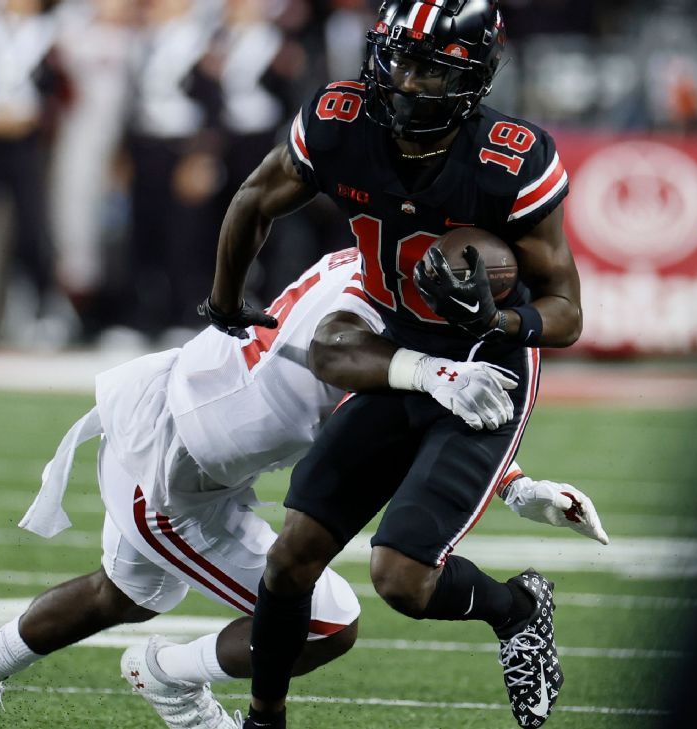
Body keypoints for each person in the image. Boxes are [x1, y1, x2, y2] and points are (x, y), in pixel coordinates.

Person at [0, 248, 604, 729]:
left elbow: (393, 422)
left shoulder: (370, 268)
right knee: (325, 619)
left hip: (168, 412)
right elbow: (351, 367)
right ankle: (171, 676)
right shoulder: (359, 323)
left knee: (121, 593)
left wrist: (513, 484)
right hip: (176, 474)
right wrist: (435, 375)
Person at [196, 1, 582, 726]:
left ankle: (520, 606)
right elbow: (255, 198)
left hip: (485, 370)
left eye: (430, 70)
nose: (404, 82)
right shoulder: (342, 121)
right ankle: (263, 717)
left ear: (473, 78)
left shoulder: (510, 157)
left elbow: (566, 311)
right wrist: (225, 299)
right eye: (396, 59)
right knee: (291, 557)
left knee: (400, 577)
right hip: (400, 345)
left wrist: (499, 318)